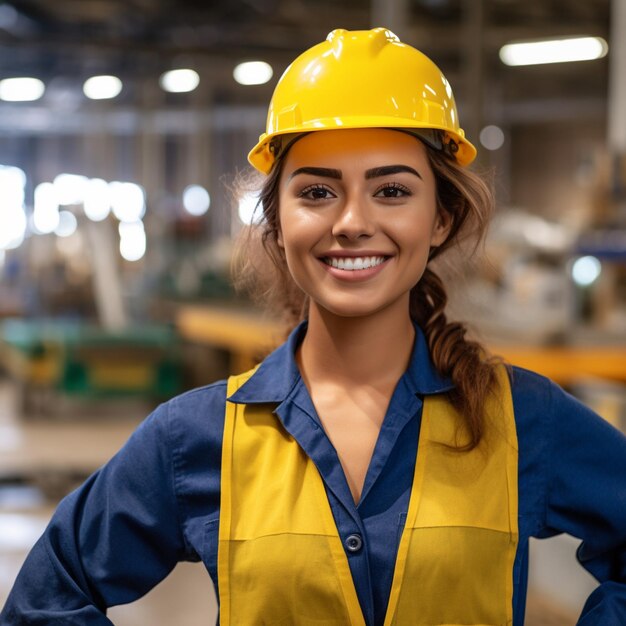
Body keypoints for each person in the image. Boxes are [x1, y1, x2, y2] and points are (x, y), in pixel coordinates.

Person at [2, 27, 626, 626]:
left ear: (441, 219)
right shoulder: (195, 440)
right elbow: (48, 595)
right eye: (318, 192)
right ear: (276, 223)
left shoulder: (520, 422)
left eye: (391, 191)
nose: (352, 221)